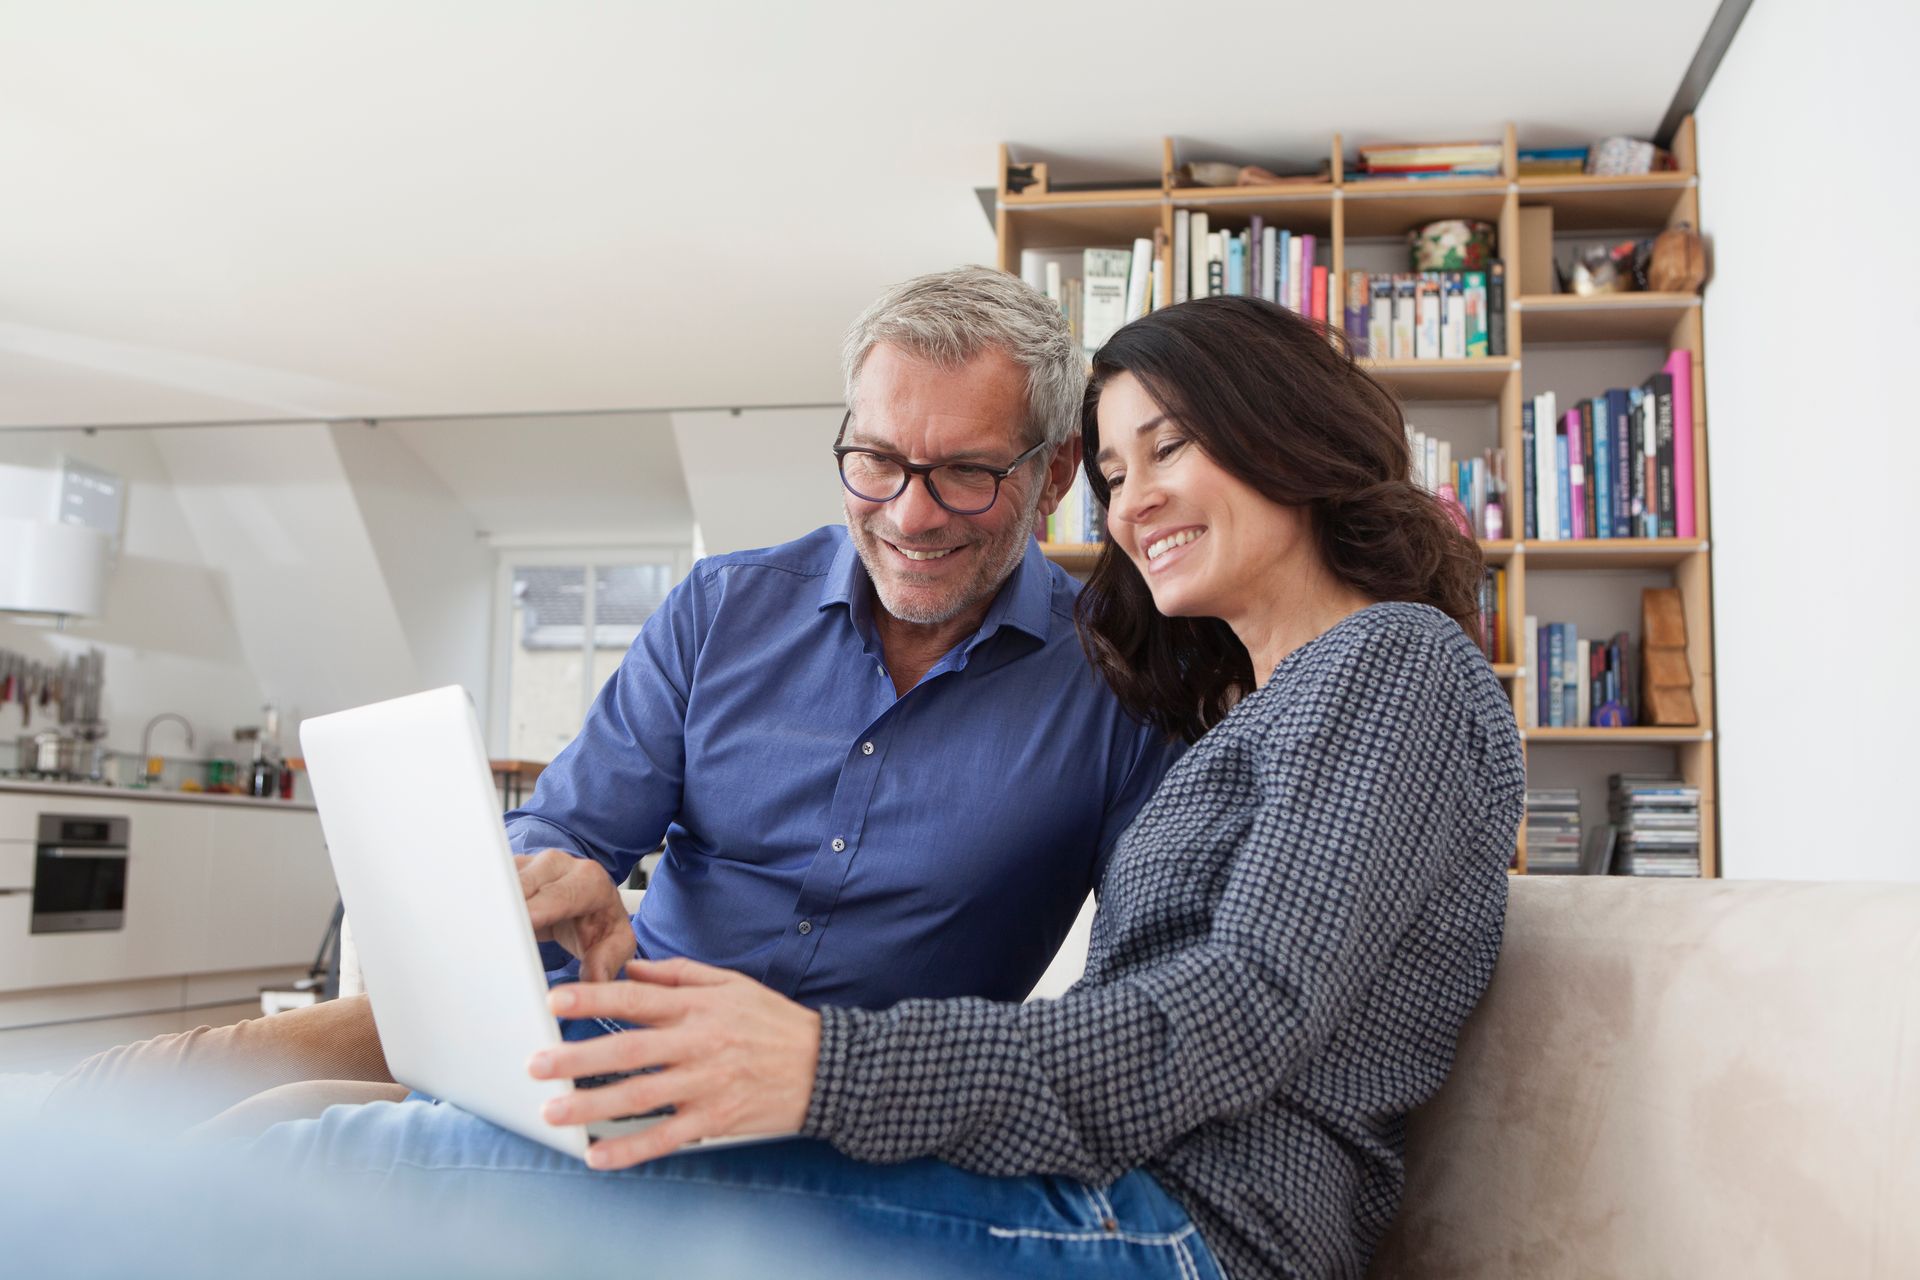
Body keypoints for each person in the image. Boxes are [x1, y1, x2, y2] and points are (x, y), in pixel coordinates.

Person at [255, 295, 1527, 1280]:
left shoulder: (1389, 664)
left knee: (335, 1162)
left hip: (1179, 1231)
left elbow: (1233, 1013)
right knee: (304, 1116)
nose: (1136, 504)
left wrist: (828, 1067)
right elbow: (1180, 1014)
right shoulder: (1264, 697)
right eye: (1122, 474)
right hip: (1086, 1181)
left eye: (1172, 449)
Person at [40, 266, 1180, 1132]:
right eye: (875, 460)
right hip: (576, 1023)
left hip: (818, 1113)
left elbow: (1140, 1003)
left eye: (967, 473)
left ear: (1055, 472)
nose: (910, 513)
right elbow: (565, 828)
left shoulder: (1123, 684)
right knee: (179, 1095)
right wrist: (551, 864)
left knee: (305, 1157)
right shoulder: (725, 608)